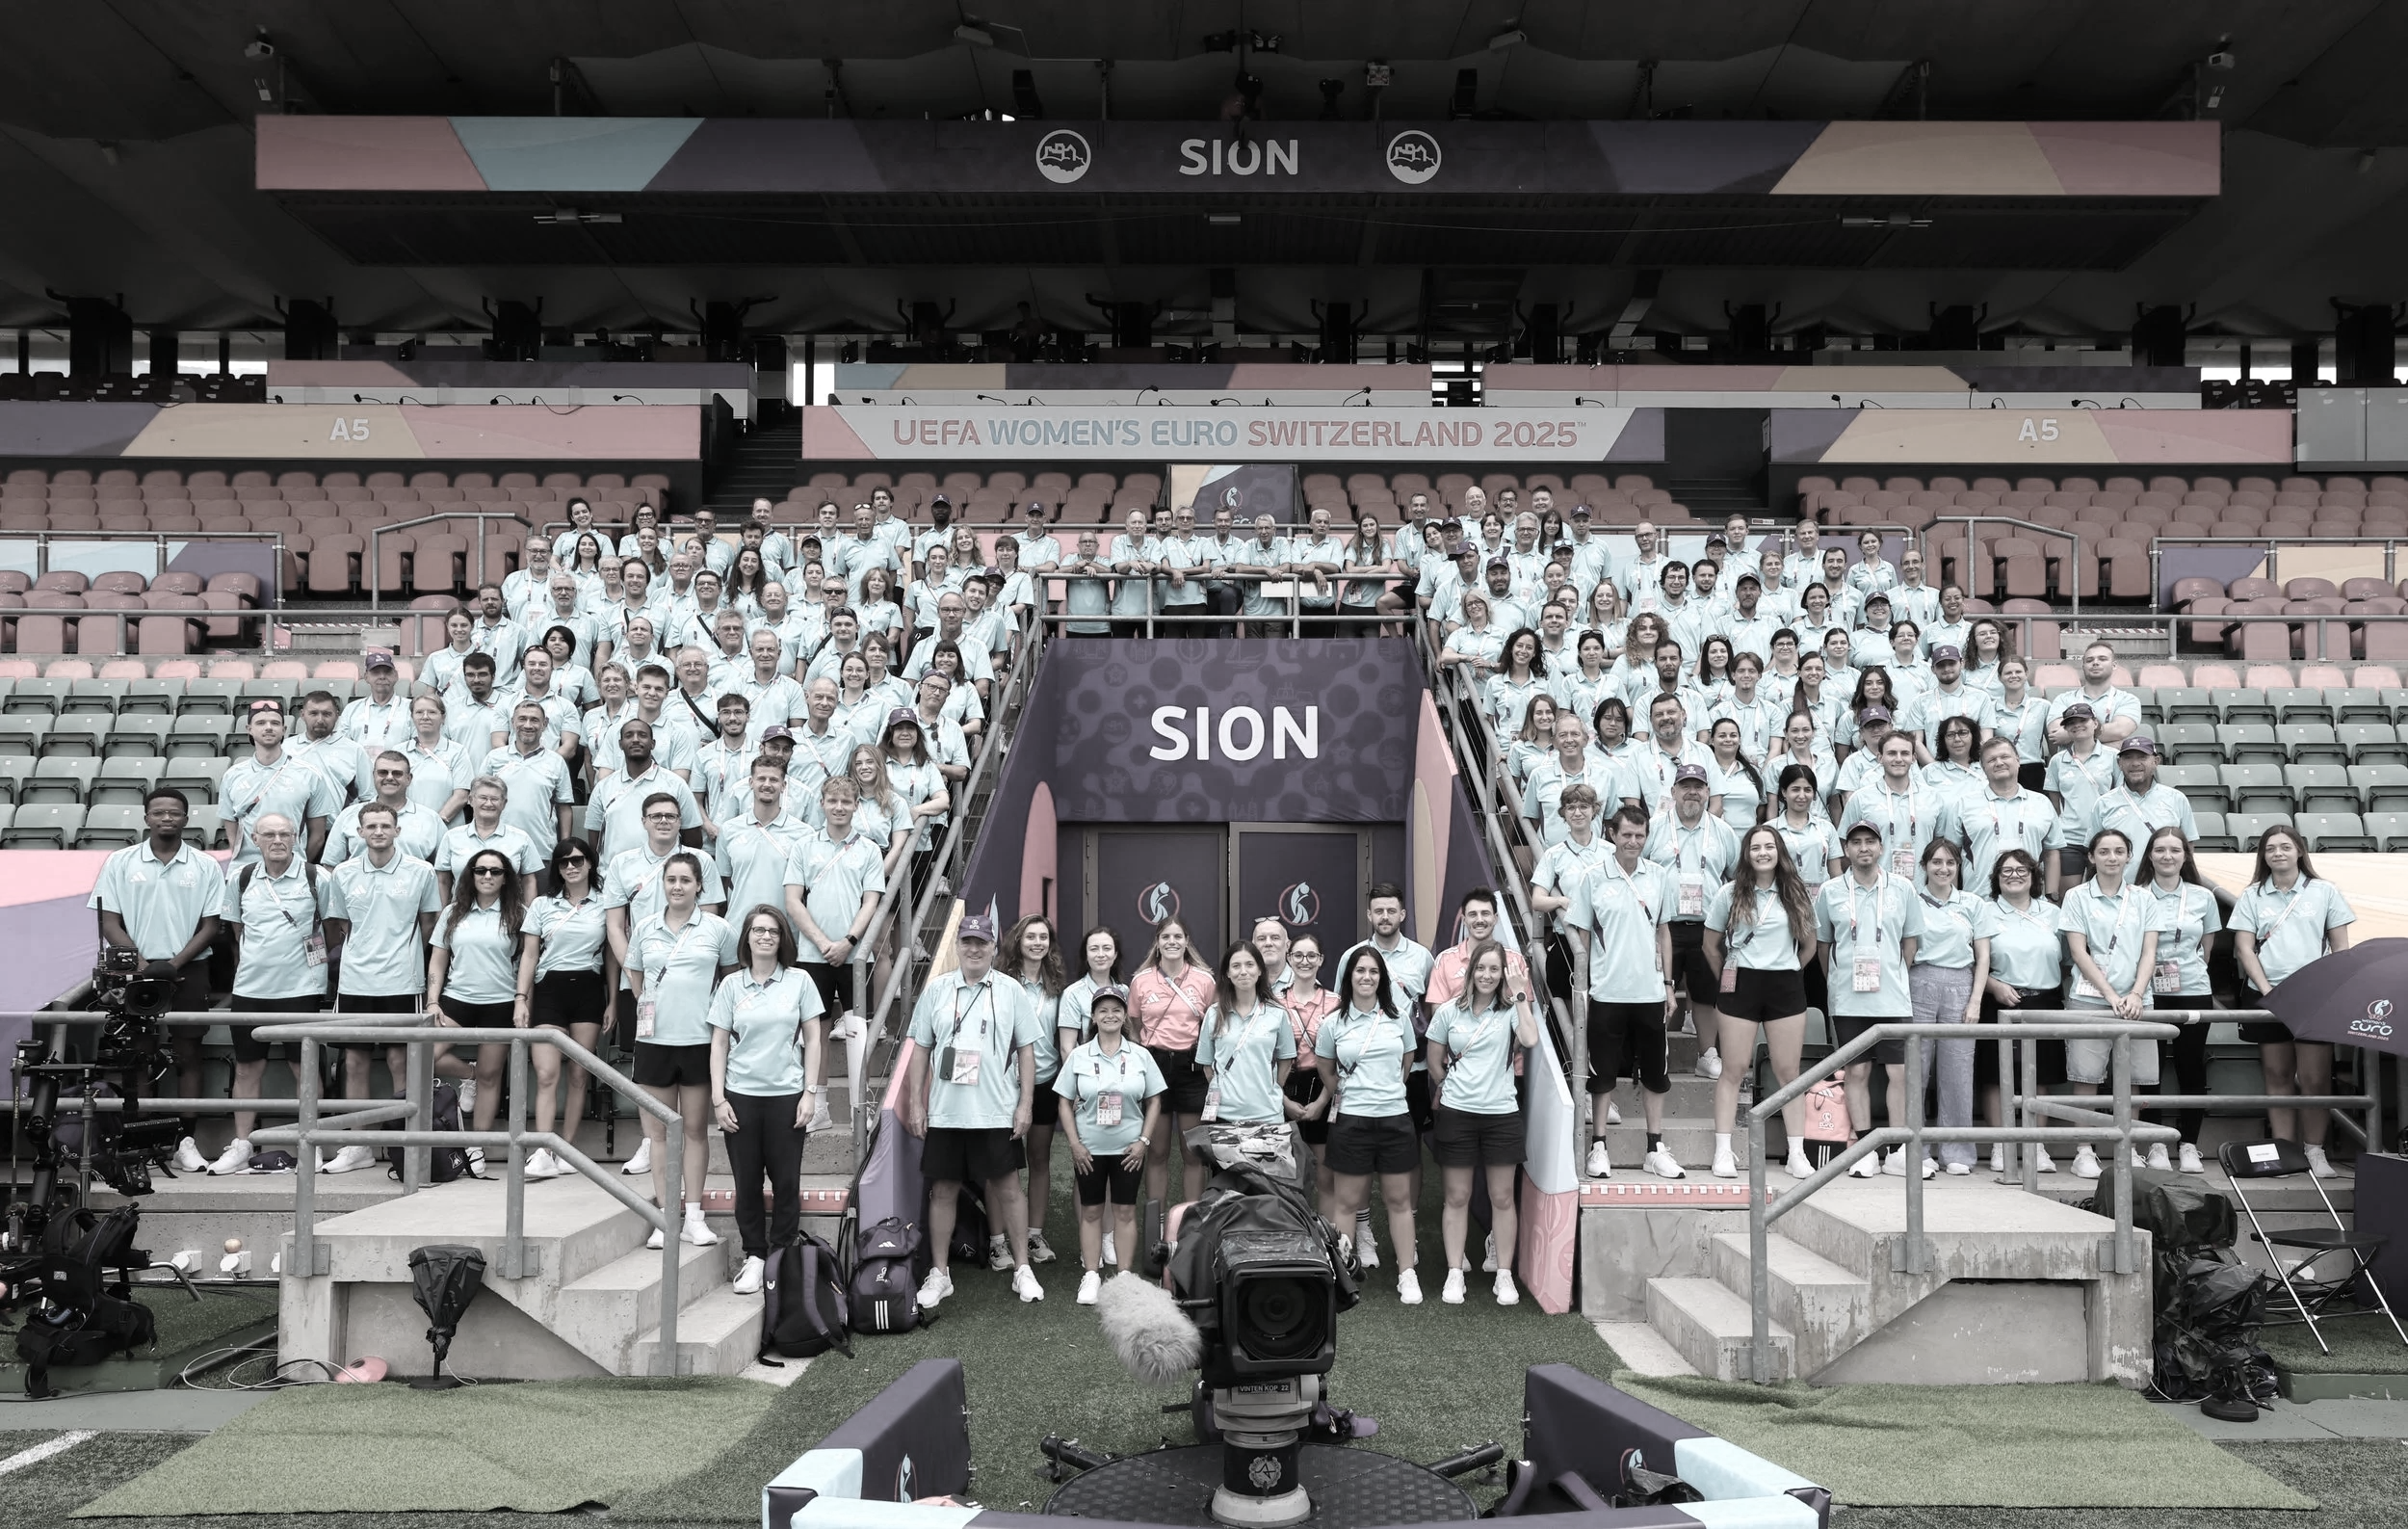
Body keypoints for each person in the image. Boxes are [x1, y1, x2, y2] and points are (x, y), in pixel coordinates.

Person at [904, 913, 1046, 1305]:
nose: (973, 948)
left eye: (982, 942)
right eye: (967, 941)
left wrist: (1025, 1105)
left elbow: (1027, 1051)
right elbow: (920, 1050)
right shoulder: (936, 990)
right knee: (943, 1190)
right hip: (946, 1112)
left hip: (996, 1110)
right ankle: (940, 1275)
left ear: (994, 948)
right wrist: (917, 1103)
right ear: (958, 945)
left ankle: (1022, 1270)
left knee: (1009, 1189)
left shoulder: (1010, 990)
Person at [91, 788, 223, 1174]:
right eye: (159, 812)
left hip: (191, 969)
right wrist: (144, 964)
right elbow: (109, 921)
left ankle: (186, 1141)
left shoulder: (205, 865)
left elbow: (211, 925)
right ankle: (140, 1142)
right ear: (146, 817)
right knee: (139, 1057)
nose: (167, 818)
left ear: (187, 818)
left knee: (188, 1055)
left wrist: (174, 963)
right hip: (135, 970)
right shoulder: (120, 862)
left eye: (175, 813)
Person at [711, 905, 828, 1296]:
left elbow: (813, 1038)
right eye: (758, 930)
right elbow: (720, 1043)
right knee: (746, 1181)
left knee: (787, 1181)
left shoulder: (799, 981)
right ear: (746, 937)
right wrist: (718, 1099)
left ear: (783, 939)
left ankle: (780, 1253)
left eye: (773, 931)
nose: (765, 937)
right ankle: (755, 1255)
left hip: (787, 1095)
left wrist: (810, 1093)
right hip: (740, 1096)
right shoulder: (730, 986)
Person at [213, 814, 340, 1173]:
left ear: (296, 837)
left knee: (305, 1068)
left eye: (285, 833)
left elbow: (332, 930)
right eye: (269, 834)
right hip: (251, 989)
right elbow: (237, 929)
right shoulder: (241, 878)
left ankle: (310, 1144)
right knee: (247, 1069)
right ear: (255, 838)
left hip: (301, 989)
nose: (278, 840)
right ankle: (242, 1145)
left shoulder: (318, 878)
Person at [321, 802, 443, 1172]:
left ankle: (401, 1145)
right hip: (356, 981)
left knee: (397, 1061)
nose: (378, 832)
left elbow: (428, 925)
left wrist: (402, 956)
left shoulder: (421, 871)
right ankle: (358, 1145)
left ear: (397, 830)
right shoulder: (342, 873)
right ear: (359, 832)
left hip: (403, 981)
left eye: (385, 826)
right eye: (371, 826)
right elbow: (338, 925)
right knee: (354, 1062)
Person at [2231, 823, 2355, 1178]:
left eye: (2285, 846)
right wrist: (2266, 988)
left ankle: (2314, 1150)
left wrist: (2328, 987)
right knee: (2277, 1074)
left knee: (2315, 1077)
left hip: (2314, 994)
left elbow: (2340, 948)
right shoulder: (2252, 895)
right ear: (2263, 856)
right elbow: (2243, 947)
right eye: (2270, 848)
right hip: (2267, 994)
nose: (2278, 853)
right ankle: (2284, 1151)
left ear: (2299, 851)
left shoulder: (2324, 891)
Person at [627, 853, 739, 1247]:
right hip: (654, 1043)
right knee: (658, 1136)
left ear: (698, 886)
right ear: (663, 884)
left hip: (699, 1043)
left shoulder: (719, 929)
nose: (677, 886)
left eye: (685, 880)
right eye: (671, 879)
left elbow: (730, 980)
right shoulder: (644, 927)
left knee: (694, 1131)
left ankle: (694, 1215)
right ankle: (664, 1217)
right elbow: (635, 973)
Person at [1567, 806, 1681, 1180]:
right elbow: (1581, 937)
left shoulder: (1660, 876)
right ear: (1612, 834)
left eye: (1640, 835)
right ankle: (1598, 1147)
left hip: (1649, 992)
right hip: (1606, 992)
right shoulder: (1592, 877)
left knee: (1655, 1073)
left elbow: (1663, 931)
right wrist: (1582, 990)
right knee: (1601, 1076)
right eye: (1626, 834)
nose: (1633, 841)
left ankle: (1655, 1148)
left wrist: (1668, 986)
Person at [1703, 825, 1819, 1180]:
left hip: (1784, 984)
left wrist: (1788, 970)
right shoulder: (1729, 892)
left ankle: (1796, 1152)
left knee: (1788, 1072)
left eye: (1770, 846)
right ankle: (1723, 1151)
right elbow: (1710, 944)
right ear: (1746, 854)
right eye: (1756, 847)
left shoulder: (1795, 892)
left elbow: (1810, 945)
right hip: (1742, 982)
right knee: (1733, 1070)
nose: (1763, 853)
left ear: (1779, 851)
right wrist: (1728, 975)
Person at [1426, 937, 1533, 1305]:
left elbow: (1531, 1039)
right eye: (1482, 968)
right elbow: (1435, 1058)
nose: (1487, 975)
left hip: (1501, 1114)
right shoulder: (1448, 1012)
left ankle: (1504, 1275)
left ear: (1503, 974)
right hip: (1457, 1113)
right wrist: (1454, 1089)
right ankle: (1455, 1273)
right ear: (1471, 971)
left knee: (1502, 1197)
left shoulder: (1509, 1011)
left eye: (1495, 969)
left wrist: (1520, 995)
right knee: (1456, 1196)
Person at [1815, 822, 1925, 1179]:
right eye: (1856, 842)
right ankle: (1864, 1149)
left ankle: (1896, 1150)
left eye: (1870, 842)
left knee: (1900, 1072)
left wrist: (1893, 973)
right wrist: (1839, 978)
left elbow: (1910, 941)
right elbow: (1823, 945)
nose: (1863, 848)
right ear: (1846, 849)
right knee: (1856, 1072)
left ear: (1881, 848)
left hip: (1892, 998)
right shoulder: (1831, 891)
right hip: (1848, 1000)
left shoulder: (1903, 888)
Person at [2059, 827, 2166, 1180]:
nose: (2111, 858)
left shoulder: (2144, 899)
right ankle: (2084, 1149)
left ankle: (2128, 1148)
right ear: (2091, 857)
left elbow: (2149, 951)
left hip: (2137, 1000)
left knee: (2132, 1078)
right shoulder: (2077, 897)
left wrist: (2135, 993)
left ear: (2129, 856)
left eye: (2119, 851)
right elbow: (2078, 951)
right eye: (2103, 851)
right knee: (2085, 1078)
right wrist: (2111, 995)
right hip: (2090, 999)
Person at [1320, 946, 1425, 1304]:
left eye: (1373, 971)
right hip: (1351, 1121)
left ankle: (1407, 1274)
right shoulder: (1333, 1023)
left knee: (1399, 1200)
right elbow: (1326, 1068)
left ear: (1382, 978)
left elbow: (1407, 1063)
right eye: (1360, 970)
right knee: (1346, 1203)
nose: (1367, 977)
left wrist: (1383, 1094)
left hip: (1395, 1119)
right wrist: (1356, 1096)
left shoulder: (1398, 1019)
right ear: (1349, 977)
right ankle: (1343, 1275)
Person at [784, 774, 888, 1131]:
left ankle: (863, 1105)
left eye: (847, 801)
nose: (839, 807)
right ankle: (820, 1105)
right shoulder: (803, 847)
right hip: (813, 956)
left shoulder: (869, 849)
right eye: (833, 801)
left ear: (856, 806)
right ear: (822, 804)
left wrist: (847, 942)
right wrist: (823, 943)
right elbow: (793, 901)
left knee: (860, 1030)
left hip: (856, 956)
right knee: (817, 1031)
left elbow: (871, 901)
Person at [426, 845, 539, 1155]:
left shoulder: (519, 914)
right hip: (457, 998)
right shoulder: (453, 911)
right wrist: (433, 1001)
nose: (487, 876)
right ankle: (468, 1075)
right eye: (480, 870)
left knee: (492, 1076)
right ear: (471, 875)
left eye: (495, 871)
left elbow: (529, 959)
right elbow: (438, 959)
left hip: (500, 1002)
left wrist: (520, 999)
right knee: (424, 1057)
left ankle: (476, 1149)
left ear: (506, 878)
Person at [1056, 985, 1163, 1305]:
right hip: (1089, 1149)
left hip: (1129, 1150)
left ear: (1124, 1015)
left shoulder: (1140, 1054)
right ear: (1093, 1017)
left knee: (1125, 1210)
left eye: (1116, 1009)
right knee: (1090, 1211)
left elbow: (1155, 1100)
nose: (1110, 1015)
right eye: (1103, 1010)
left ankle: (1125, 1275)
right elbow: (1064, 1102)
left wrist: (1144, 1140)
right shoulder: (1079, 1055)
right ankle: (1091, 1274)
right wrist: (1074, 1144)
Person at [1647, 763, 1740, 1087]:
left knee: (1706, 994)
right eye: (1685, 786)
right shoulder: (1655, 828)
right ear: (1673, 792)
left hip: (1707, 927)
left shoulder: (1722, 831)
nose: (1692, 792)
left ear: (1707, 792)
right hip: (1663, 926)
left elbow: (1735, 878)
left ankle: (1706, 1055)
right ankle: (1654, 1053)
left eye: (1698, 787)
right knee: (1657, 991)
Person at [525, 838, 610, 1177]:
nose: (571, 867)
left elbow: (613, 956)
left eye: (577, 860)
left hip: (589, 987)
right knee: (546, 1073)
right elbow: (530, 955)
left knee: (578, 1075)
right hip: (549, 988)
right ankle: (544, 1149)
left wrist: (614, 1001)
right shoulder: (543, 905)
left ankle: (567, 1150)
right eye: (563, 863)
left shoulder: (606, 903)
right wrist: (522, 998)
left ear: (590, 863)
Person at [1910, 838, 1994, 1176]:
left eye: (1951, 863)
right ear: (1925, 866)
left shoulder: (1972, 903)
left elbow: (1984, 956)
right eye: (1936, 862)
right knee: (1916, 1071)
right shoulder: (1912, 901)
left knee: (1958, 1072)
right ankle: (1915, 1148)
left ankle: (1957, 1150)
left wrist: (1975, 999)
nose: (1944, 869)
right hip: (1920, 982)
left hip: (1961, 984)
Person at [2142, 825, 2222, 1176]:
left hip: (2192, 989)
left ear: (2185, 855)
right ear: (2149, 855)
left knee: (2191, 1066)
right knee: (2149, 1070)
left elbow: (2207, 947)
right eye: (2160, 850)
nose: (2167, 856)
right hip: (2149, 992)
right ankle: (2156, 1141)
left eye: (2175, 850)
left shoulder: (2202, 897)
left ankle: (2189, 1143)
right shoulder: (2137, 895)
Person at [1981, 849, 2065, 1173]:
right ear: (1996, 877)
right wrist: (1994, 987)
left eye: (2021, 870)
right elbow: (1972, 961)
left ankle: (2036, 1144)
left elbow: (2068, 958)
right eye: (2006, 870)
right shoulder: (1985, 911)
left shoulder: (2053, 913)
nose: (2014, 875)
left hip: (2044, 1001)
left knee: (2039, 1075)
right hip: (2000, 999)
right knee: (1995, 1076)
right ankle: (2001, 1145)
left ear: (2034, 875)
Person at [1128, 916, 1218, 1207]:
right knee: (1157, 1152)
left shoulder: (1204, 980)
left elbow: (1214, 1024)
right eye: (1165, 937)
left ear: (1186, 942)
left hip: (1192, 1067)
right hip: (1155, 1066)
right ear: (1157, 942)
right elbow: (1134, 1023)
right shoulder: (1141, 981)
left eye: (1178, 937)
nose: (1172, 942)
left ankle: (1190, 1223)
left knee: (1192, 1152)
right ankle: (1159, 1225)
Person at [999, 915, 1068, 1272]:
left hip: (1045, 1081)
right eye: (1031, 936)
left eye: (1043, 937)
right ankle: (998, 1242)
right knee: (1001, 1165)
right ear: (1019, 941)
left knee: (1039, 1160)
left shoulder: (1056, 984)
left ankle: (1034, 1234)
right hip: (1004, 1083)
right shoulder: (1002, 981)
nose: (1037, 942)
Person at [1195, 941, 1297, 1136]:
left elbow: (1286, 1060)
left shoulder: (1277, 1013)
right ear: (1227, 973)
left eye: (1250, 965)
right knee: (1226, 1168)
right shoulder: (1214, 1014)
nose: (1243, 971)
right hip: (1225, 1114)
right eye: (1236, 966)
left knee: (1268, 1167)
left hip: (1268, 1114)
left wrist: (1268, 1087)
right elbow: (1207, 1066)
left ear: (1260, 970)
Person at [222, 701, 336, 865]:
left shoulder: (310, 774)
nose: (268, 728)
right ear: (249, 729)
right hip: (245, 870)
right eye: (260, 723)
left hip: (293, 869)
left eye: (275, 723)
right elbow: (231, 829)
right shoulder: (232, 775)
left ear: (284, 730)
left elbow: (317, 836)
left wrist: (295, 864)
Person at [1959, 735, 2053, 894]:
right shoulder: (1965, 804)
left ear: (2018, 759)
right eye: (1991, 760)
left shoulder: (2041, 802)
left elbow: (2052, 851)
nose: (1999, 762)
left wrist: (2052, 894)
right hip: (1980, 898)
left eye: (2005, 757)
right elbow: (1952, 854)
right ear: (1982, 767)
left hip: (2030, 899)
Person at [435, 777, 540, 905]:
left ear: (504, 803)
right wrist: (440, 915)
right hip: (461, 915)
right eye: (483, 798)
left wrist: (528, 917)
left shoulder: (521, 838)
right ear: (470, 800)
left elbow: (529, 881)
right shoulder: (451, 837)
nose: (489, 803)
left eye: (495, 799)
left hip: (508, 915)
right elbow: (443, 881)